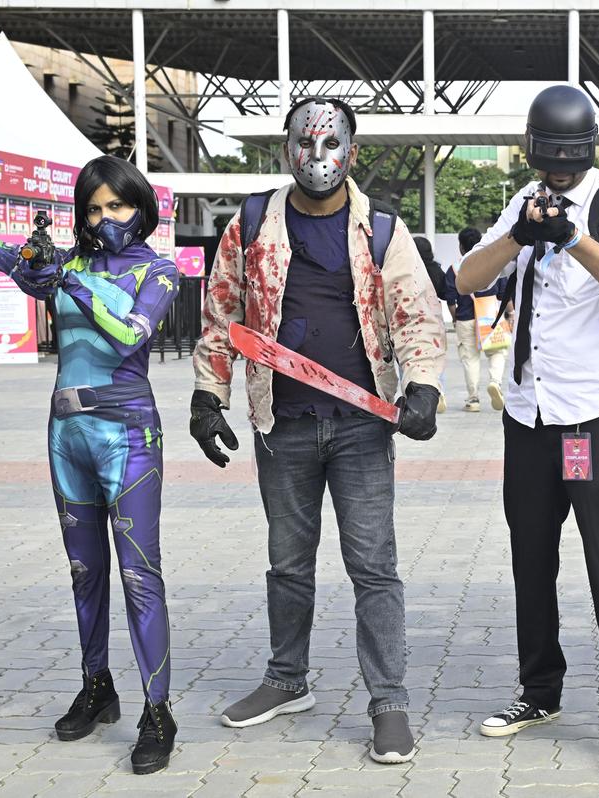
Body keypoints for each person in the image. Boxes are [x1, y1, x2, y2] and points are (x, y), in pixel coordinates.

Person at [189, 97, 445, 764]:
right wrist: (208, 396)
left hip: (361, 425)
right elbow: (221, 314)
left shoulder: (381, 230)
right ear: (286, 150)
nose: (318, 156)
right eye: (305, 142)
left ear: (352, 153)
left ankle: (388, 701)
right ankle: (286, 680)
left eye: (332, 144)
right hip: (282, 425)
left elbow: (415, 313)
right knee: (287, 563)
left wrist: (423, 384)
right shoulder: (251, 224)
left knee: (374, 568)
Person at [456, 85, 599, 781]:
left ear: (586, 152)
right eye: (546, 161)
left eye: (565, 163)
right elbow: (467, 277)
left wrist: (574, 238)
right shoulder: (524, 201)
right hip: (529, 419)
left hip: (592, 421)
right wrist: (520, 235)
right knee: (531, 560)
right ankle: (539, 691)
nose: (555, 174)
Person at [0, 155, 180, 774]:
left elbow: (129, 335)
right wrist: (30, 260)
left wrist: (67, 280)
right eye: (92, 209)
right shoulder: (69, 264)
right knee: (85, 571)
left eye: (117, 205)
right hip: (66, 434)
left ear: (141, 207)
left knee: (139, 576)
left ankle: (158, 712)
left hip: (127, 436)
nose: (104, 218)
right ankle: (97, 688)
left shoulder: (157, 270)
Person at [444, 227, 510, 412]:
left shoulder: (454, 269)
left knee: (470, 358)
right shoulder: (493, 264)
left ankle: (473, 399)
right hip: (490, 316)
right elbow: (504, 294)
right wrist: (510, 314)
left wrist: (455, 318)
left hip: (466, 318)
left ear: (461, 247)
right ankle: (495, 382)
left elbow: (451, 300)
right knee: (497, 352)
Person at [414, 235, 450, 413]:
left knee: (413, 358)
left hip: (413, 319)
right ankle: (439, 390)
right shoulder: (436, 270)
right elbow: (445, 293)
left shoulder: (408, 269)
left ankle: (415, 394)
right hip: (434, 319)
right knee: (436, 356)